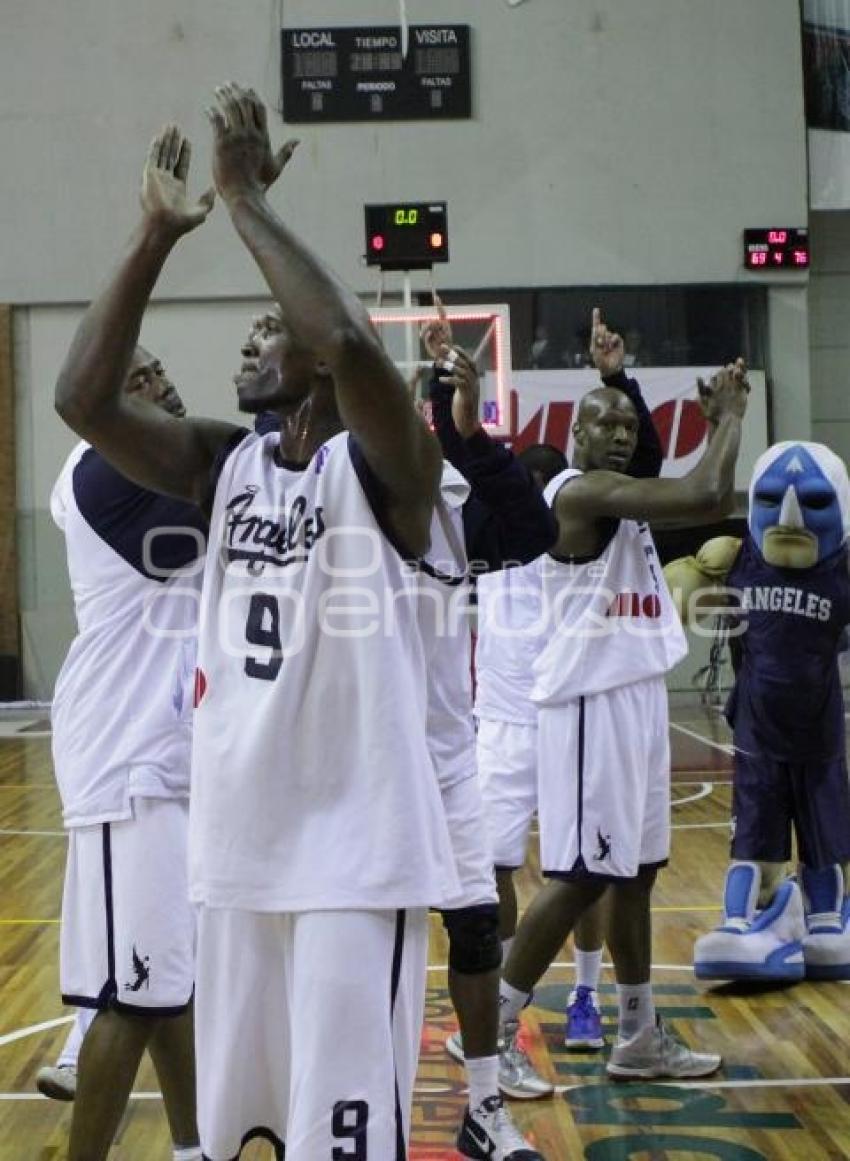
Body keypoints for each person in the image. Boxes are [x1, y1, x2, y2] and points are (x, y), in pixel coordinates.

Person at [55, 87, 459, 1160]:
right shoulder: (220, 465)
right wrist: (152, 236)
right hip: (236, 858)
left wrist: (244, 202)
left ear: (316, 365)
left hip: (354, 860)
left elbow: (356, 349)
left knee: (342, 1139)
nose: (249, 340)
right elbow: (83, 402)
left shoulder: (390, 472)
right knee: (242, 1140)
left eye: (269, 331)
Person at [494, 357, 749, 1086]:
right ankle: (496, 1033)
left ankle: (637, 1033)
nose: (617, 432)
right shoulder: (581, 493)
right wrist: (729, 414)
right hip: (586, 705)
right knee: (578, 876)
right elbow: (706, 492)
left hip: (635, 693)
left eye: (629, 424)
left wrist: (621, 374)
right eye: (602, 419)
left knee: (635, 873)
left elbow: (665, 474)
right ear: (573, 432)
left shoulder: (624, 496)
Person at [473, 310, 665, 1069]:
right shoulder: (514, 520)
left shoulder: (588, 505)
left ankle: (588, 994)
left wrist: (616, 378)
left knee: (598, 866)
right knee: (556, 869)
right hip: (515, 713)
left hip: (568, 702)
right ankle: (501, 1017)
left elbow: (643, 461)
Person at [49, 346, 205, 1160]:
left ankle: (193, 1148)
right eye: (139, 375)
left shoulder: (153, 464)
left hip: (169, 757)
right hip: (124, 757)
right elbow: (199, 525)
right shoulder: (98, 468)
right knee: (130, 994)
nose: (163, 380)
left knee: (167, 982)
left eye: (161, 368)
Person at [417, 303, 554, 1158]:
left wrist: (469, 433)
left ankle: (482, 1104)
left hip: (447, 746)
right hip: (361, 752)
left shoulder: (457, 514)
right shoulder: (341, 493)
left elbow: (534, 531)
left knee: (473, 924)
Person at [670, 442, 850, 982]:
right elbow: (675, 592)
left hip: (819, 734)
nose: (791, 515)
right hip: (756, 733)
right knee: (754, 832)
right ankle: (745, 916)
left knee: (825, 836)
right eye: (774, 500)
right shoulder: (735, 558)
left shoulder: (841, 568)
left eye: (813, 504)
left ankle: (826, 919)